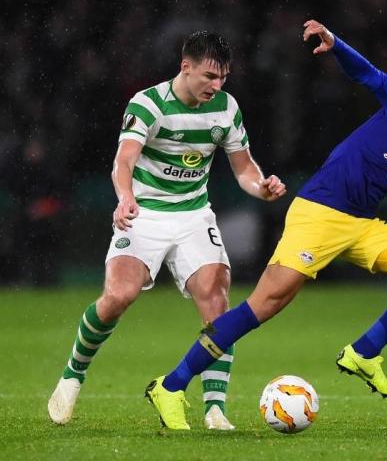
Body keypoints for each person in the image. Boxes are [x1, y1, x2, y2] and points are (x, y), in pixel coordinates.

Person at [145, 19, 387, 429]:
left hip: (362, 225)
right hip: (319, 211)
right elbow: (370, 76)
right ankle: (170, 387)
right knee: (264, 306)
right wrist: (336, 45)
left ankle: (365, 353)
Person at [47, 31, 286, 430]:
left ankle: (214, 409)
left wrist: (261, 187)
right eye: (209, 76)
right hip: (145, 212)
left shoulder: (226, 108)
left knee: (216, 299)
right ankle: (73, 374)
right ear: (185, 67)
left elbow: (244, 168)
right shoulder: (148, 104)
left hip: (194, 215)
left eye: (223, 77)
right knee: (118, 296)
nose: (217, 85)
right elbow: (123, 162)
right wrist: (125, 198)